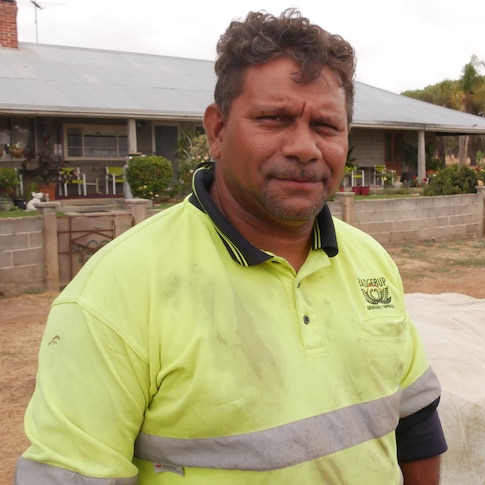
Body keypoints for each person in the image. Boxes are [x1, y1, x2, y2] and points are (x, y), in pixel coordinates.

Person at [15, 9, 446, 484]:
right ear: (217, 131)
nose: (305, 147)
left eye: (326, 126)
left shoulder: (371, 261)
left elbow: (416, 420)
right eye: (275, 119)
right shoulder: (115, 292)